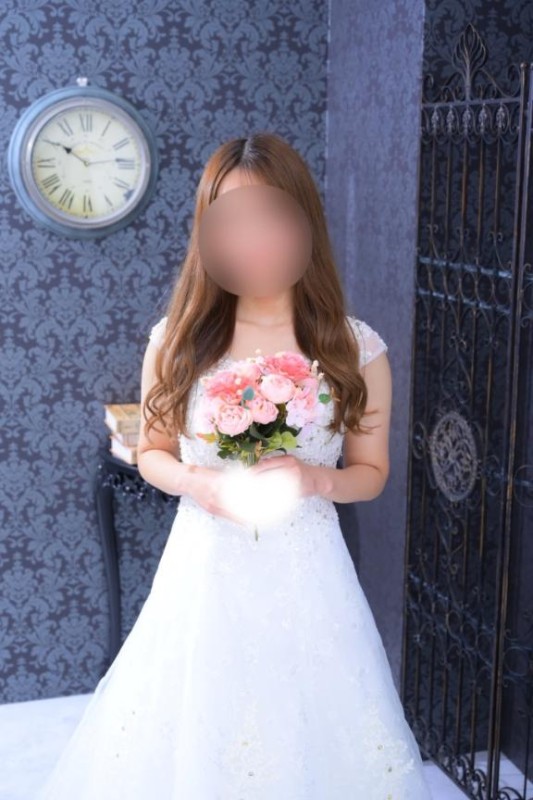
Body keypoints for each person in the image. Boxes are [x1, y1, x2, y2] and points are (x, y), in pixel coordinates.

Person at [39, 132, 432, 798]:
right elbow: (153, 453)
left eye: (270, 215)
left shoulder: (354, 346)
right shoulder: (178, 340)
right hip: (205, 571)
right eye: (231, 220)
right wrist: (197, 481)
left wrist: (313, 478)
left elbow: (371, 474)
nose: (252, 238)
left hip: (310, 578)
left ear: (304, 224)